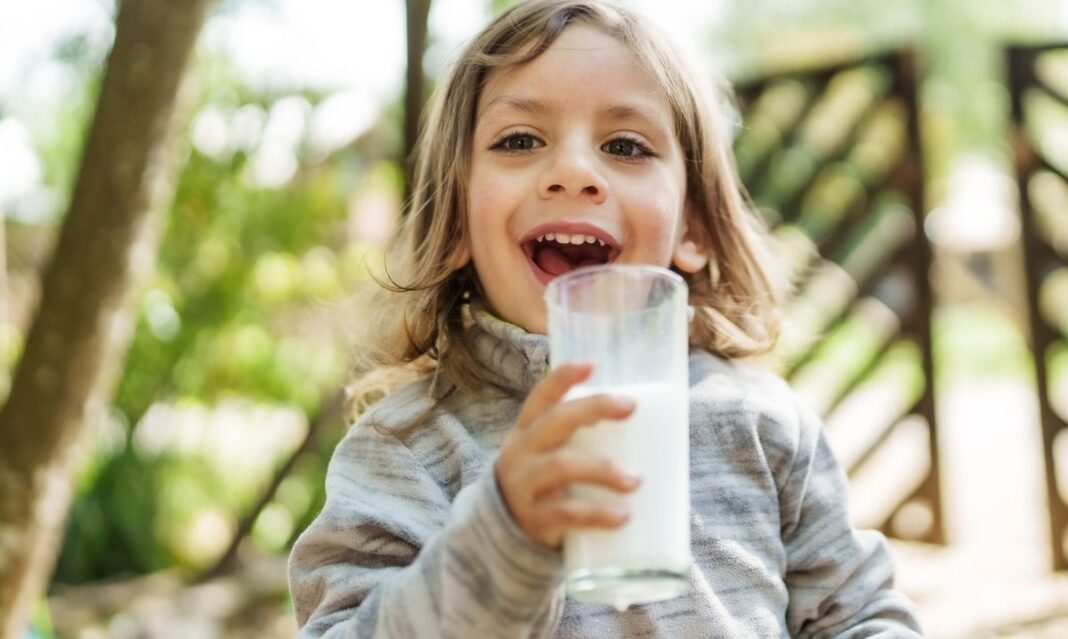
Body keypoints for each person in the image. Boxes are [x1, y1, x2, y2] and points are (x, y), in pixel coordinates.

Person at [287, 0, 924, 636]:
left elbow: (860, 615)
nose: (572, 172)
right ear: (456, 219)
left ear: (693, 226)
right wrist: (499, 542)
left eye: (625, 145)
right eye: (519, 140)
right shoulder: (408, 450)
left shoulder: (762, 423)